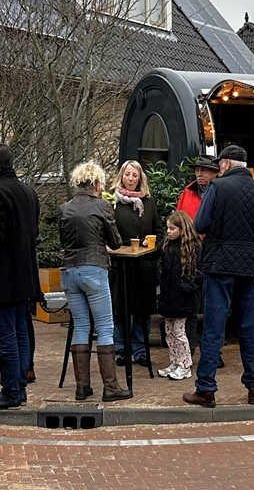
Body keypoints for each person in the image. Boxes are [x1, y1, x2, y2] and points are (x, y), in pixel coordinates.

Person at [183, 145, 254, 407]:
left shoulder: (217, 187)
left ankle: (206, 389)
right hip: (249, 267)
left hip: (219, 264)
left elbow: (200, 224)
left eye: (220, 163)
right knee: (248, 328)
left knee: (213, 328)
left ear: (227, 164)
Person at [0, 143, 42, 410]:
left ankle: (10, 390)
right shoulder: (27, 191)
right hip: (24, 272)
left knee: (5, 333)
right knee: (20, 330)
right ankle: (18, 387)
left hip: (2, 273)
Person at [59, 161, 128, 402]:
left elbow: (63, 241)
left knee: (81, 326)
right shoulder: (102, 206)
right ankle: (111, 387)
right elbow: (116, 242)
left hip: (69, 270)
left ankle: (82, 387)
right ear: (97, 184)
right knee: (105, 327)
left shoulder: (65, 208)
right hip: (94, 268)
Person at [110, 160, 158, 368]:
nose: (130, 179)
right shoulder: (112, 201)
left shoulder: (148, 202)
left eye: (134, 175)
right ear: (121, 176)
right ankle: (121, 349)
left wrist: (153, 245)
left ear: (140, 178)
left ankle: (140, 350)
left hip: (143, 263)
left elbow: (158, 230)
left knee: (142, 310)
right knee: (119, 309)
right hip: (119, 263)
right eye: (127, 174)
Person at [158, 210, 202, 380]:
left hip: (183, 297)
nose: (168, 232)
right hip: (169, 296)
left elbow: (200, 272)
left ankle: (185, 365)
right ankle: (175, 361)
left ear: (182, 228)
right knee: (170, 332)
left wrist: (187, 287)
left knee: (179, 332)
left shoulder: (194, 247)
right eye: (168, 228)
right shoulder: (167, 244)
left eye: (172, 228)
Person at [176, 156, 220, 220]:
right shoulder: (187, 191)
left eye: (203, 170)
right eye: (197, 170)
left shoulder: (222, 192)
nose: (199, 174)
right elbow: (177, 219)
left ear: (215, 173)